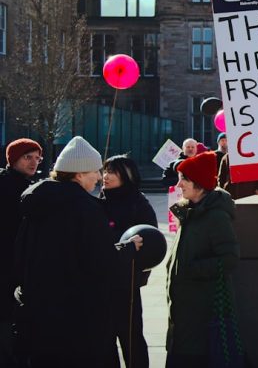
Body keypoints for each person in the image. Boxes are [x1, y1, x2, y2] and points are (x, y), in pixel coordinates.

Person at [14, 136, 142, 367]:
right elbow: (102, 262)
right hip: (80, 320)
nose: (99, 177)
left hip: (41, 320)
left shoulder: (36, 204)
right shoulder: (85, 209)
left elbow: (21, 257)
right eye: (95, 171)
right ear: (79, 174)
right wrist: (128, 248)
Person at [166, 151, 239, 368]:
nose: (179, 185)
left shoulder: (216, 216)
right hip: (183, 311)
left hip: (202, 313)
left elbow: (229, 259)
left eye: (184, 179)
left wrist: (191, 269)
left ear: (199, 184)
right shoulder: (189, 211)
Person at [100, 155, 158, 368]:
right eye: (105, 171)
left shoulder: (138, 204)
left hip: (127, 284)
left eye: (112, 172)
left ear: (127, 175)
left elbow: (152, 243)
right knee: (104, 340)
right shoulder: (99, 201)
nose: (106, 176)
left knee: (131, 338)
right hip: (101, 283)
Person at [0, 139, 41, 366]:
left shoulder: (27, 185)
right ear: (13, 159)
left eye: (37, 158)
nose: (33, 162)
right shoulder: (8, 186)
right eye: (28, 157)